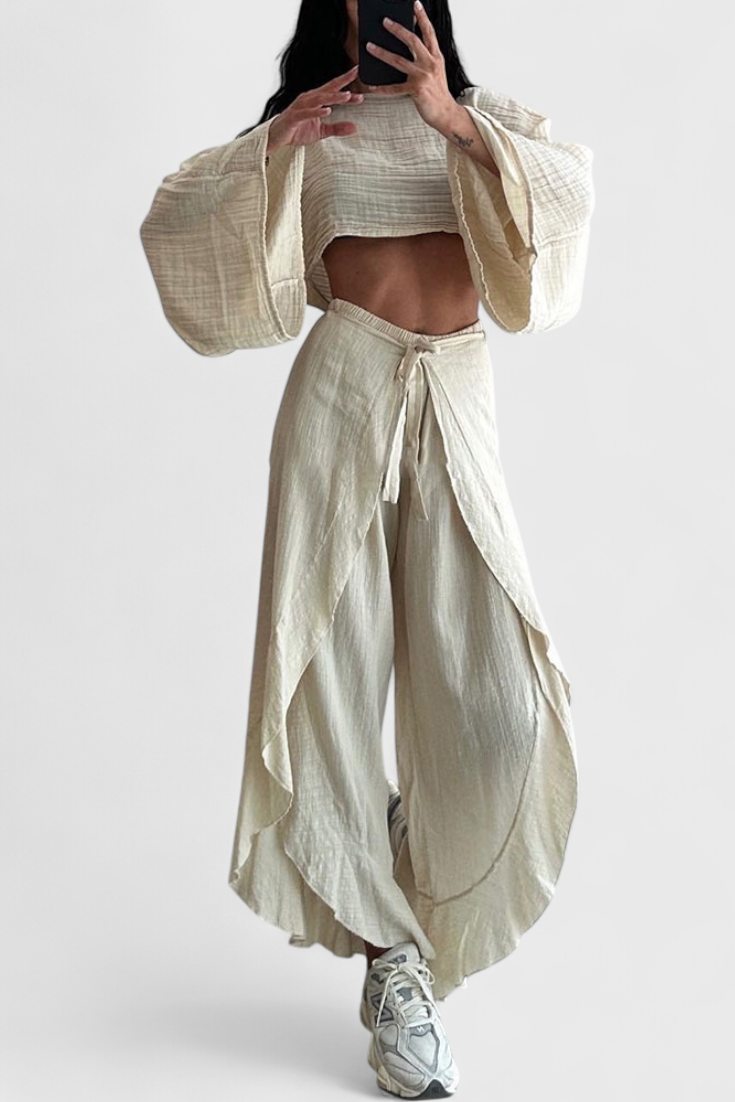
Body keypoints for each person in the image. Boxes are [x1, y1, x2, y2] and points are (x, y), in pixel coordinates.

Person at [139, 1, 595, 1096]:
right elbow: (174, 223)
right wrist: (270, 148)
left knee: (503, 703)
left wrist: (454, 120)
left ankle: (399, 832)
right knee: (330, 676)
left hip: (458, 398)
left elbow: (570, 199)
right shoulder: (312, 123)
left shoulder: (482, 117)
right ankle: (394, 968)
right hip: (341, 390)